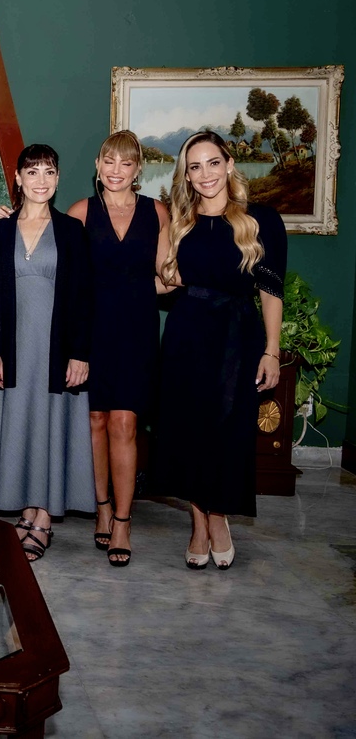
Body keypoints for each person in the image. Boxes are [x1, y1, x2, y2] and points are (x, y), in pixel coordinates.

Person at [153, 131, 285, 571]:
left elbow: (271, 291)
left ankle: (218, 516)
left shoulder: (260, 220)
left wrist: (271, 351)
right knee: (188, 428)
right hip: (187, 333)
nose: (205, 174)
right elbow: (164, 282)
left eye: (213, 163)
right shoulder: (180, 222)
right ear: (187, 175)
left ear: (229, 164)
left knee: (227, 428)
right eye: (195, 166)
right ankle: (198, 521)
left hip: (237, 335)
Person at [0, 144, 93, 562]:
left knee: (50, 425)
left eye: (48, 171)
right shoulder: (0, 231)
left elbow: (82, 297)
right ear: (18, 177)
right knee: (21, 424)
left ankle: (44, 517)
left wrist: (79, 353)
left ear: (58, 178)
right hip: (13, 348)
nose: (40, 180)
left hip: (55, 348)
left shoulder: (71, 230)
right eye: (32, 172)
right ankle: (26, 511)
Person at [66, 130, 169, 567]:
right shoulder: (80, 212)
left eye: (126, 163)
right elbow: (64, 276)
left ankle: (123, 521)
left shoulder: (157, 212)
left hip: (136, 329)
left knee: (125, 422)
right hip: (91, 330)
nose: (116, 170)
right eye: (109, 161)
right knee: (95, 420)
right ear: (97, 164)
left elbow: (168, 277)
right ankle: (102, 508)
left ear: (138, 169)